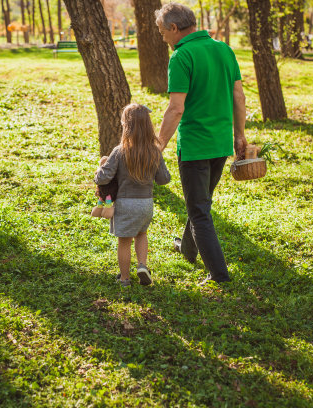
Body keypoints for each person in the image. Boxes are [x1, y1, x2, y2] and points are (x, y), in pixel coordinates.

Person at [155, 3, 247, 286]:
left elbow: (175, 109)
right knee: (200, 204)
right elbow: (239, 96)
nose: (162, 38)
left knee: (199, 211)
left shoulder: (182, 56)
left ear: (174, 28)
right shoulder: (224, 49)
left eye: (162, 32)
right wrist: (240, 135)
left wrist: (158, 144)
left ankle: (219, 275)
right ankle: (186, 248)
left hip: (195, 146)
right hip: (221, 144)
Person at [94, 104, 171, 287]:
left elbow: (103, 179)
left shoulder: (120, 151)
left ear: (125, 125)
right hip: (146, 204)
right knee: (142, 234)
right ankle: (142, 266)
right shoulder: (154, 152)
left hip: (125, 205)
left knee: (124, 241)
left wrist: (99, 169)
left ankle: (124, 279)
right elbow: (164, 179)